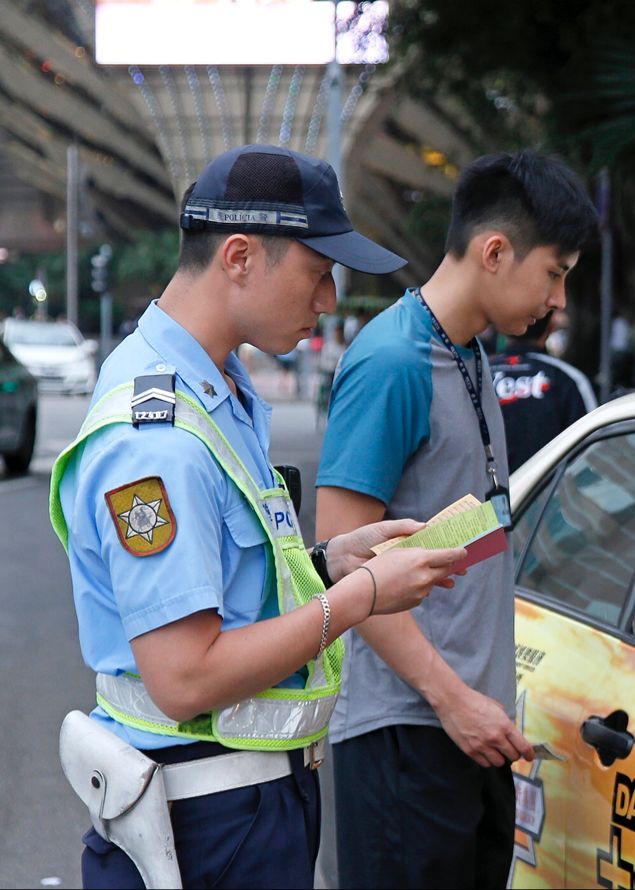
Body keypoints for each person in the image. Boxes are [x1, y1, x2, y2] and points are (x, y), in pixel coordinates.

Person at [49, 144, 468, 889]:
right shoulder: (161, 441)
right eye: (318, 272)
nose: (330, 300)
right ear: (240, 257)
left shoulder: (216, 389)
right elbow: (182, 676)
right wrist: (358, 601)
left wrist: (326, 563)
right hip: (204, 824)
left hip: (237, 808)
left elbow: (224, 586)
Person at [314, 150, 599, 889]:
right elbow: (342, 569)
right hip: (404, 735)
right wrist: (453, 700)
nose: (559, 299)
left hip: (468, 730)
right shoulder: (392, 362)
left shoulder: (467, 353)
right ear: (495, 252)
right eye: (555, 272)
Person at [490, 311, 597, 469]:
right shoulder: (567, 377)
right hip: (547, 490)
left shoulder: (476, 375)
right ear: (551, 326)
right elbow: (591, 448)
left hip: (479, 492)